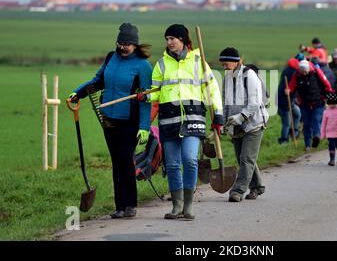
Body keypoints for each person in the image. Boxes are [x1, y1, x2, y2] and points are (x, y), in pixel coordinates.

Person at [68, 23, 153, 218]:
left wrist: (144, 127)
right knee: (117, 161)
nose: (123, 47)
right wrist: (78, 92)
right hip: (108, 119)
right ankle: (119, 206)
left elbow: (145, 99)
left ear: (136, 45)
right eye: (121, 43)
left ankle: (130, 204)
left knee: (125, 159)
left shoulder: (142, 66)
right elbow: (97, 81)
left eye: (128, 44)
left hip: (129, 121)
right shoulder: (111, 57)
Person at [142, 24, 224, 219]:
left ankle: (188, 206)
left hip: (193, 118)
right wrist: (144, 97)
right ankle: (176, 206)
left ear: (183, 40)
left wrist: (218, 115)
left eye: (172, 38)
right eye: (167, 39)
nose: (169, 42)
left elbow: (212, 90)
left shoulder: (199, 61)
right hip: (169, 121)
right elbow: (156, 93)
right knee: (171, 164)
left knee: (189, 159)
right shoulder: (161, 64)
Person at [220, 47, 269, 202]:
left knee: (246, 158)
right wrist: (223, 121)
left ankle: (238, 190)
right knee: (242, 158)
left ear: (235, 62)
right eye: (223, 63)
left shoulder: (250, 76)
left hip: (253, 124)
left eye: (226, 62)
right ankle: (257, 187)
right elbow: (225, 102)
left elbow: (255, 103)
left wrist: (239, 117)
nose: (224, 66)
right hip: (235, 125)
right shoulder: (227, 78)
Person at [286, 59, 333, 151]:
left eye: (305, 71)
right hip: (304, 104)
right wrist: (288, 90)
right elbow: (292, 86)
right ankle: (307, 144)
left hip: (318, 102)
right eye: (301, 71)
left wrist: (329, 98)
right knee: (307, 124)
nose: (303, 73)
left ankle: (316, 137)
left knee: (316, 120)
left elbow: (327, 84)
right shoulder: (297, 75)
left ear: (308, 69)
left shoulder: (316, 72)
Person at [276, 57, 302, 144]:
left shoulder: (288, 70)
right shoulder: (293, 72)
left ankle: (294, 131)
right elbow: (287, 89)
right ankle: (283, 140)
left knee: (297, 114)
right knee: (287, 122)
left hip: (289, 100)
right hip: (284, 101)